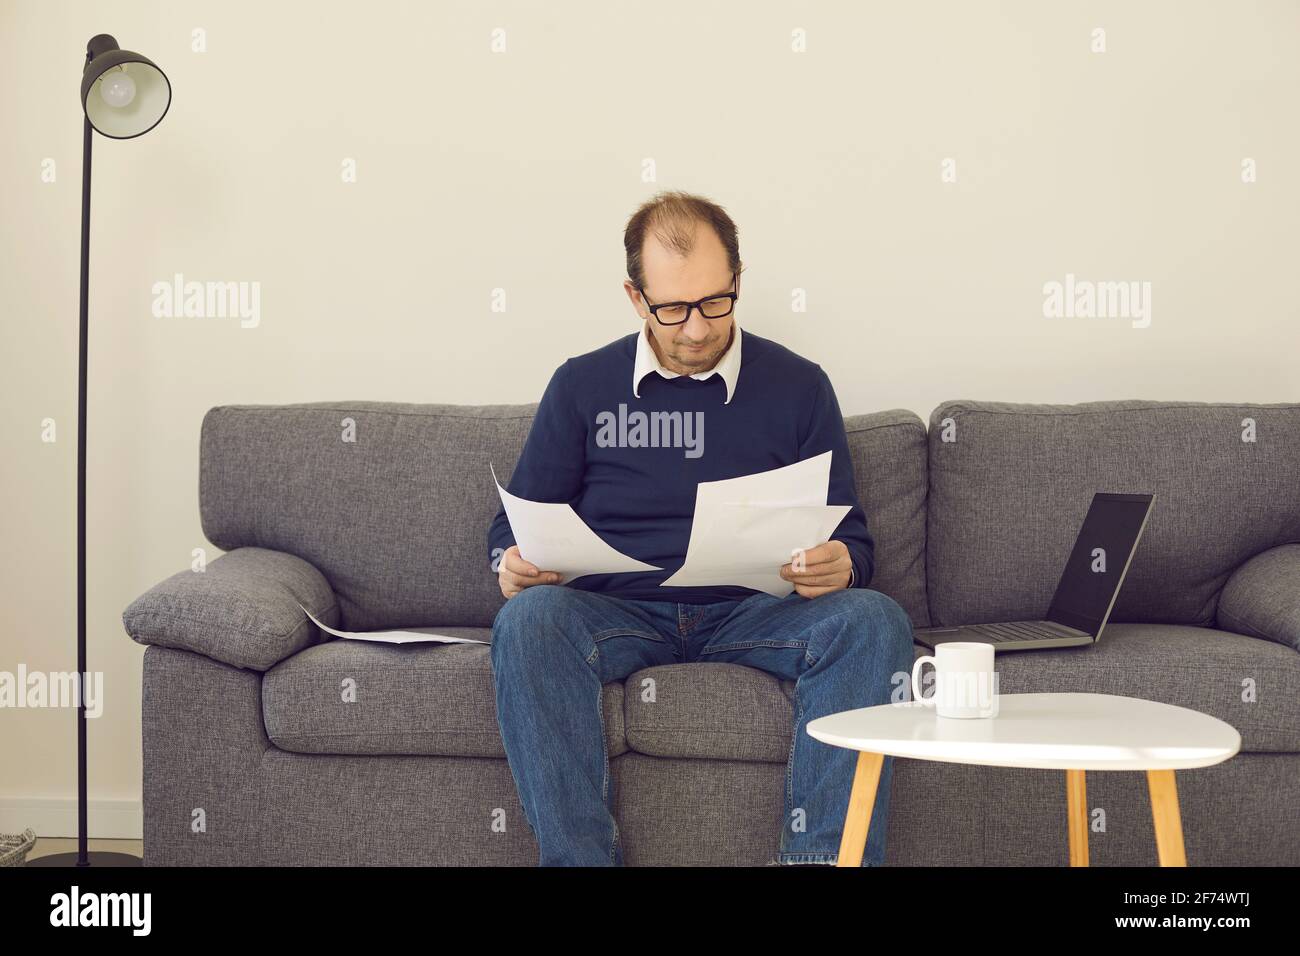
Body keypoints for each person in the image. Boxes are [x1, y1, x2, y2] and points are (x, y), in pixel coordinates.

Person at [487, 190, 914, 866]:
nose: (695, 330)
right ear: (635, 298)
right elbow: (510, 527)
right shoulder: (581, 387)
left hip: (754, 614)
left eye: (715, 302)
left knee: (872, 620)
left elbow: (852, 536)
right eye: (673, 309)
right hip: (617, 611)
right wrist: (510, 563)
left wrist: (845, 563)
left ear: (738, 281)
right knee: (527, 622)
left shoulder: (800, 388)